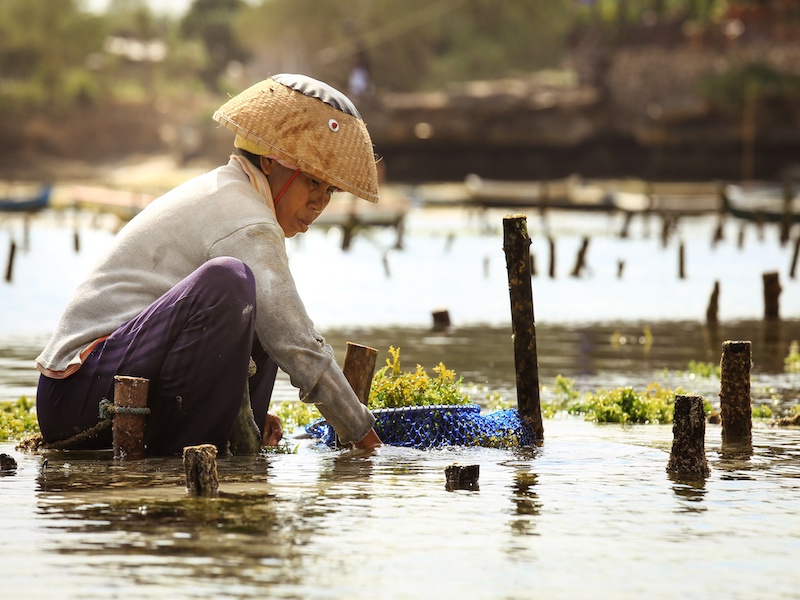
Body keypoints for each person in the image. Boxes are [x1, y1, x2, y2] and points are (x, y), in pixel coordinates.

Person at [35, 73, 383, 455]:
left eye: (329, 190)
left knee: (260, 311)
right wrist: (365, 439)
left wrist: (240, 412)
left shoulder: (237, 194)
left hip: (115, 376)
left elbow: (276, 330)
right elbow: (297, 343)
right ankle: (196, 450)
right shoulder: (243, 213)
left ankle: (231, 440)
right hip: (76, 392)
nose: (320, 203)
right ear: (270, 162)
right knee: (230, 282)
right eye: (312, 183)